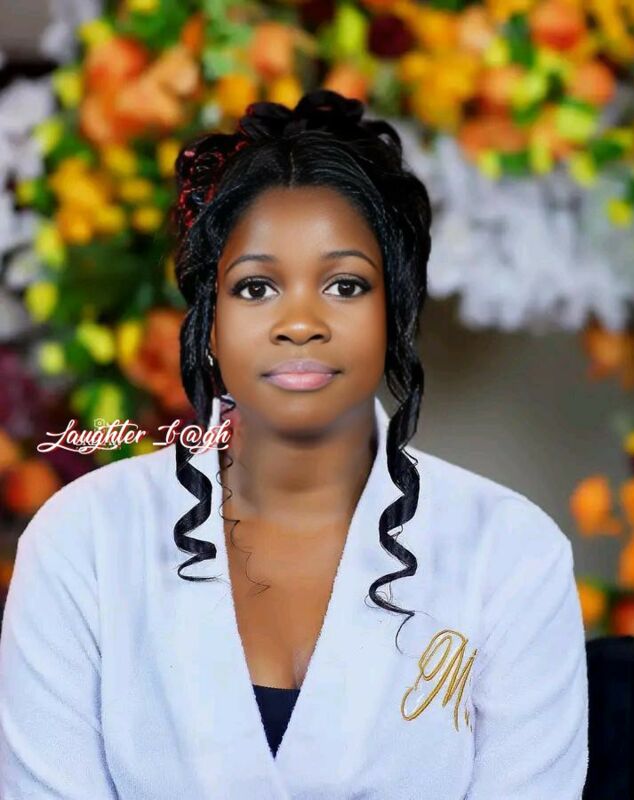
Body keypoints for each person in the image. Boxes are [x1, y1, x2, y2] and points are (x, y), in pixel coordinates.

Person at [0, 89, 588, 799]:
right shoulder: (81, 543)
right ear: (208, 322)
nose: (301, 321)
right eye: (256, 288)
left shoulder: (514, 554)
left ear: (395, 312)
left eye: (345, 285)